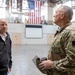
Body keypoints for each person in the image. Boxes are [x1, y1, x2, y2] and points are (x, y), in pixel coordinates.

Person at [38, 5, 75, 75]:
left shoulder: (71, 33)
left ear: (62, 16)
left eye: (56, 13)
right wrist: (49, 60)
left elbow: (73, 60)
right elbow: (61, 53)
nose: (54, 15)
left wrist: (52, 64)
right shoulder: (62, 31)